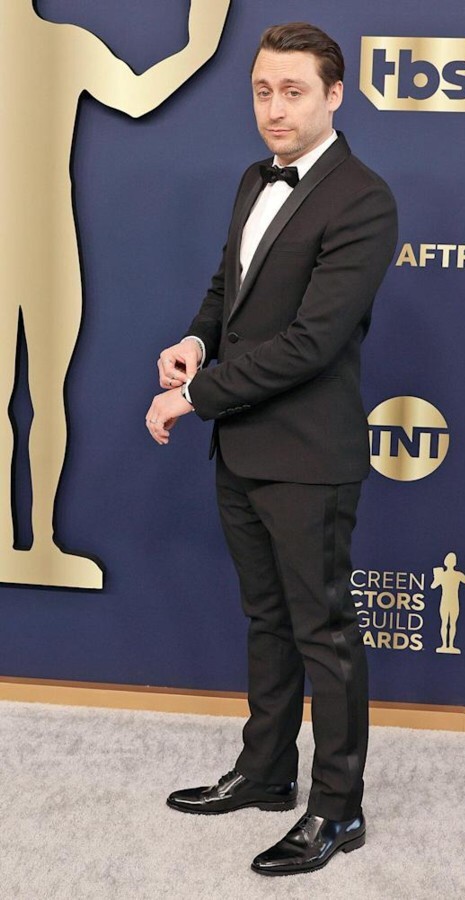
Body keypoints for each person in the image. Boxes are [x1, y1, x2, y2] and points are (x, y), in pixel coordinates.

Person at [145, 22, 398, 876]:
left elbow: (312, 342)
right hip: (243, 447)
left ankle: (338, 809)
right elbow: (232, 286)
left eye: (293, 91)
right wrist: (196, 342)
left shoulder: (362, 199)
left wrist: (192, 397)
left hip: (309, 456)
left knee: (323, 632)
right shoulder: (254, 178)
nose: (274, 108)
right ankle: (264, 773)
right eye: (262, 91)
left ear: (334, 95)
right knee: (265, 621)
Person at [0, 0, 230, 589]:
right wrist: (197, 49)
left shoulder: (68, 44)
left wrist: (198, 49)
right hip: (36, 246)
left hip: (51, 247)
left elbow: (135, 95)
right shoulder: (65, 43)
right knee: (33, 398)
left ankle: (40, 544)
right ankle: (17, 542)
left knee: (47, 396)